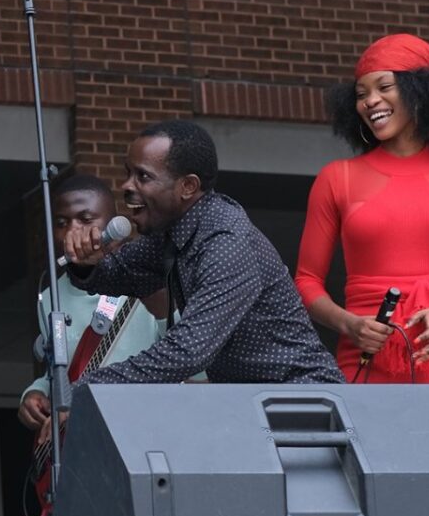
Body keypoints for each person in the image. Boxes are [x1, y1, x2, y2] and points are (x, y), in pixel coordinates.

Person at [60, 120, 342, 386]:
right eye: (128, 174)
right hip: (256, 402)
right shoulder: (175, 232)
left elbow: (187, 350)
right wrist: (87, 263)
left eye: (143, 176)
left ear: (188, 186)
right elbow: (121, 275)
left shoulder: (226, 243)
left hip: (304, 400)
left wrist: (90, 386)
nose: (126, 186)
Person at [295, 34, 429, 384]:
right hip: (365, 354)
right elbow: (306, 281)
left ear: (421, 91)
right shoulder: (336, 178)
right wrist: (349, 324)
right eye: (361, 94)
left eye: (383, 87)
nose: (371, 101)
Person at [17, 173, 166, 434]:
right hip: (83, 442)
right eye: (62, 222)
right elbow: (59, 371)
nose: (73, 231)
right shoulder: (50, 296)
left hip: (145, 430)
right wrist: (36, 393)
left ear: (114, 226)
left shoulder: (148, 283)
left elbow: (191, 362)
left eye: (86, 219)